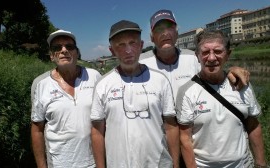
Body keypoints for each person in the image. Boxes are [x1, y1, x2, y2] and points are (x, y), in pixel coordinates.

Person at [138, 10, 250, 167]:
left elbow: (214, 68)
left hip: (193, 144)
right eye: (158, 29)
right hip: (158, 144)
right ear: (151, 37)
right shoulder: (141, 63)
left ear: (177, 32)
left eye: (169, 28)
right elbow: (117, 77)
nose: (165, 33)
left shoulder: (192, 57)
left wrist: (233, 69)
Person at [90, 20, 178, 168]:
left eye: (133, 43)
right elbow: (97, 131)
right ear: (112, 51)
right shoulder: (103, 84)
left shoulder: (160, 80)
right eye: (121, 45)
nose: (128, 50)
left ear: (141, 46)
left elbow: (171, 127)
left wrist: (175, 164)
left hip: (158, 163)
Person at [176, 29, 267, 168]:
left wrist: (261, 164)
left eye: (218, 51)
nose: (211, 58)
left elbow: (253, 126)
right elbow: (185, 139)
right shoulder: (187, 92)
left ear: (228, 54)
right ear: (197, 56)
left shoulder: (242, 85)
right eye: (205, 52)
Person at [30, 29, 101, 168]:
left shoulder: (94, 77)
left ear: (76, 52)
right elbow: (37, 129)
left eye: (69, 46)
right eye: (57, 48)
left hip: (93, 162)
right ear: (51, 56)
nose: (64, 50)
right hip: (58, 164)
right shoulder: (41, 84)